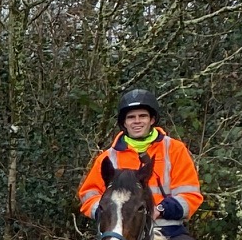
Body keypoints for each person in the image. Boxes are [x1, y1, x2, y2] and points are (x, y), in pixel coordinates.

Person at [76, 88, 204, 223]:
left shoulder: (174, 149)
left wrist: (161, 210)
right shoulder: (108, 158)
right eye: (131, 117)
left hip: (167, 228)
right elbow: (89, 195)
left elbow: (191, 195)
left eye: (142, 116)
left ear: (152, 119)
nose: (137, 121)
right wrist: (108, 213)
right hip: (120, 232)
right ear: (124, 123)